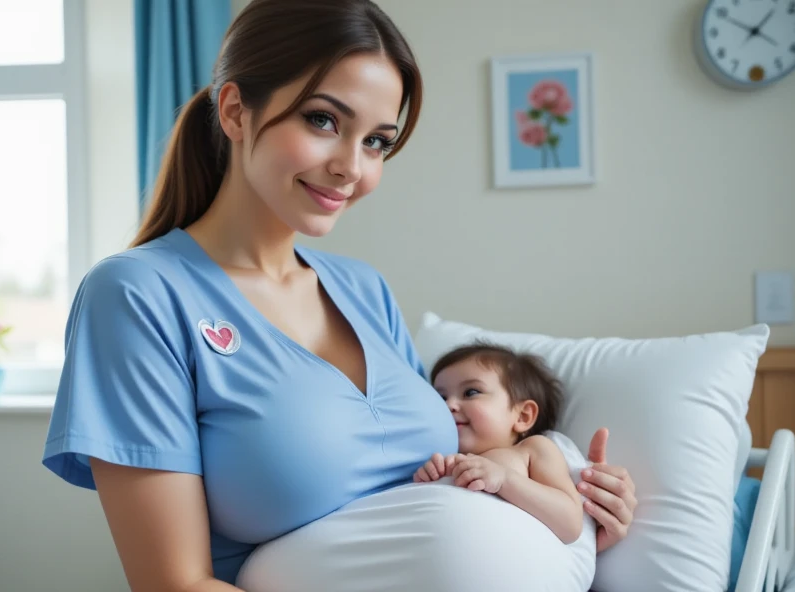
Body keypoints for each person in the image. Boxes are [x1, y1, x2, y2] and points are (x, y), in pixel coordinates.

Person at [41, 0, 638, 590]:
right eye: (323, 120)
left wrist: (574, 510)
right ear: (235, 112)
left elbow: (436, 495)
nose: (352, 167)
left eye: (378, 141)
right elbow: (174, 583)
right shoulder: (137, 296)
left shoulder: (362, 289)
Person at [414, 342, 585, 545]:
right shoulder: (444, 459)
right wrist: (430, 478)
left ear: (523, 416)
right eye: (440, 397)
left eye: (470, 392)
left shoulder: (533, 449)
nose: (449, 405)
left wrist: (504, 479)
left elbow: (569, 523)